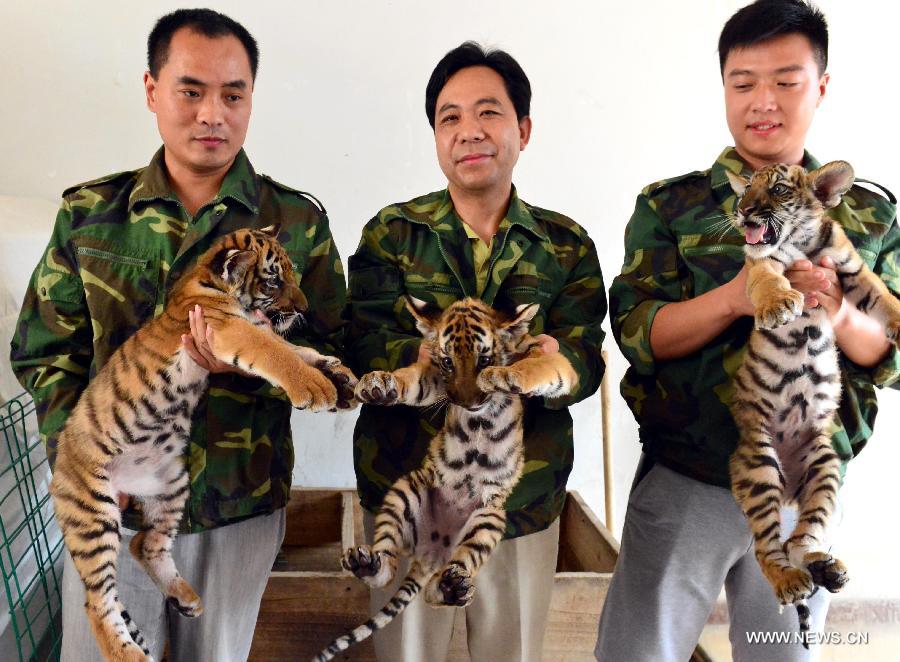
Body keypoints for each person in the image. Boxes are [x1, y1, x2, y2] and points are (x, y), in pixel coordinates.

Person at [10, 9, 347, 662]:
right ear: (151, 91)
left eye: (233, 93)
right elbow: (45, 354)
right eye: (191, 90)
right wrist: (84, 460)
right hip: (116, 503)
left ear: (252, 98)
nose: (211, 114)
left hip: (236, 509)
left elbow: (343, 358)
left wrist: (253, 362)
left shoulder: (297, 222)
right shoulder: (91, 216)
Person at [596, 1, 899, 660]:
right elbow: (639, 333)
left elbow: (890, 356)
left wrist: (841, 310)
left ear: (821, 85)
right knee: (638, 652)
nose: (764, 100)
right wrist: (735, 297)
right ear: (724, 87)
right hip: (686, 478)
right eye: (743, 82)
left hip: (804, 486)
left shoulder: (869, 212)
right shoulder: (671, 205)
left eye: (786, 80)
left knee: (780, 653)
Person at [345, 41, 607, 662]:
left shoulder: (565, 245)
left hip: (516, 503)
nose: (469, 131)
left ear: (523, 129)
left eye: (488, 113)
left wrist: (551, 368)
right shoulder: (392, 234)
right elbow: (361, 342)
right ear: (435, 136)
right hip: (406, 493)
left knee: (506, 651)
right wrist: (443, 361)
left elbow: (585, 357)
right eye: (450, 117)